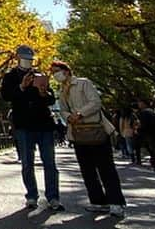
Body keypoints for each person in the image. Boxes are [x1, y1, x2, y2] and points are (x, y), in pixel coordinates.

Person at [50, 61, 126, 220]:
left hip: (96, 129)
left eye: (56, 71)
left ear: (66, 71)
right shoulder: (62, 90)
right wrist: (68, 117)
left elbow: (95, 102)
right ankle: (98, 200)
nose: (55, 75)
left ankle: (116, 202)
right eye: (53, 72)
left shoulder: (83, 83)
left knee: (106, 167)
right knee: (87, 169)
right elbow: (63, 109)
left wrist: (79, 114)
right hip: (78, 133)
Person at [1, 44, 62, 211]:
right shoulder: (10, 76)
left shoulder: (39, 75)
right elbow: (6, 96)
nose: (28, 62)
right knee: (27, 162)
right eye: (25, 59)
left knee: (49, 162)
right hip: (24, 124)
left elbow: (51, 99)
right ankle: (32, 196)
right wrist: (21, 86)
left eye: (30, 60)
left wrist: (43, 92)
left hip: (43, 123)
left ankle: (53, 197)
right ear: (17, 58)